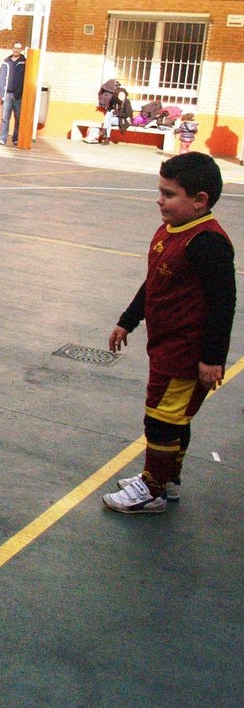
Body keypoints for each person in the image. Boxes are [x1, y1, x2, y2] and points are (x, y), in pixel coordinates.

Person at [102, 152, 235, 514]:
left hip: (186, 354)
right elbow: (153, 283)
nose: (159, 200)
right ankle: (167, 478)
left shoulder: (208, 243)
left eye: (169, 194)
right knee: (175, 418)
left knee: (161, 419)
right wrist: (128, 320)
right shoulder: (170, 230)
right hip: (164, 347)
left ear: (199, 200)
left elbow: (223, 304)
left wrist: (212, 359)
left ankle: (153, 489)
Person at [0, 41, 26, 146]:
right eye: (15, 47)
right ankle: (2, 138)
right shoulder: (6, 62)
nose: (16, 50)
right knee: (5, 118)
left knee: (18, 118)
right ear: (12, 48)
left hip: (19, 96)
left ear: (21, 50)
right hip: (7, 94)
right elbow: (0, 76)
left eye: (19, 48)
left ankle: (15, 139)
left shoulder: (24, 62)